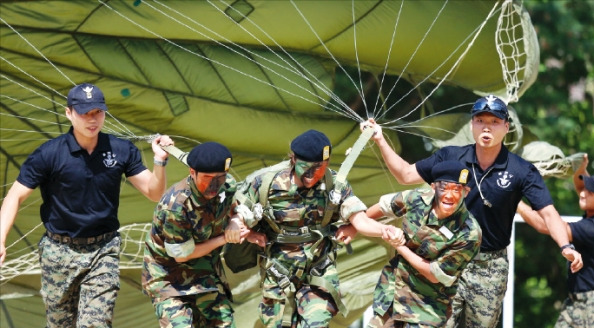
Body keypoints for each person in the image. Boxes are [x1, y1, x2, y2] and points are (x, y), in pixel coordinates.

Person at [361, 95, 583, 327]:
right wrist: (380, 139)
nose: (487, 127)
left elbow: (548, 213)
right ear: (472, 125)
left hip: (489, 266)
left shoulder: (521, 170)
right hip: (446, 257)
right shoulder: (451, 157)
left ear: (506, 127)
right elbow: (405, 175)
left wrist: (565, 246)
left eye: (495, 121)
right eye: (480, 120)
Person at [0, 82, 174, 328]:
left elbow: (154, 193)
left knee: (95, 324)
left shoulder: (121, 150)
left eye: (98, 112)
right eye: (84, 113)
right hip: (58, 252)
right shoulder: (49, 154)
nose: (92, 120)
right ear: (69, 113)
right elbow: (14, 196)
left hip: (103, 250)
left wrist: (160, 160)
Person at [225, 129, 377, 328]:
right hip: (278, 273)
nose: (314, 175)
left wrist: (384, 231)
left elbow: (359, 217)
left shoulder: (334, 184)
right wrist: (244, 229)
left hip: (318, 269)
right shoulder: (265, 183)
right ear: (294, 159)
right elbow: (236, 210)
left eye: (321, 168)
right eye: (307, 167)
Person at [142, 142, 266, 327]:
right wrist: (224, 238)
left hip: (206, 273)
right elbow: (182, 255)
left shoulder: (227, 185)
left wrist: (238, 224)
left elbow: (231, 207)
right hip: (170, 280)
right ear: (192, 172)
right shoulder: (176, 206)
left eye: (220, 177)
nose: (215, 185)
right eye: (208, 178)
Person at [359, 160, 482, 327]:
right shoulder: (416, 199)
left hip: (426, 309)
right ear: (433, 187)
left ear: (466, 192)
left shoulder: (469, 232)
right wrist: (354, 225)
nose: (449, 195)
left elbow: (434, 273)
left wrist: (399, 245)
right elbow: (384, 206)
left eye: (457, 189)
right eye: (444, 188)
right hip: (391, 297)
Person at [517, 154, 594, 328]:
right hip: (575, 302)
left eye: (591, 191)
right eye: (586, 187)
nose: (583, 193)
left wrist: (515, 201)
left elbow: (545, 225)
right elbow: (581, 186)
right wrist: (581, 168)